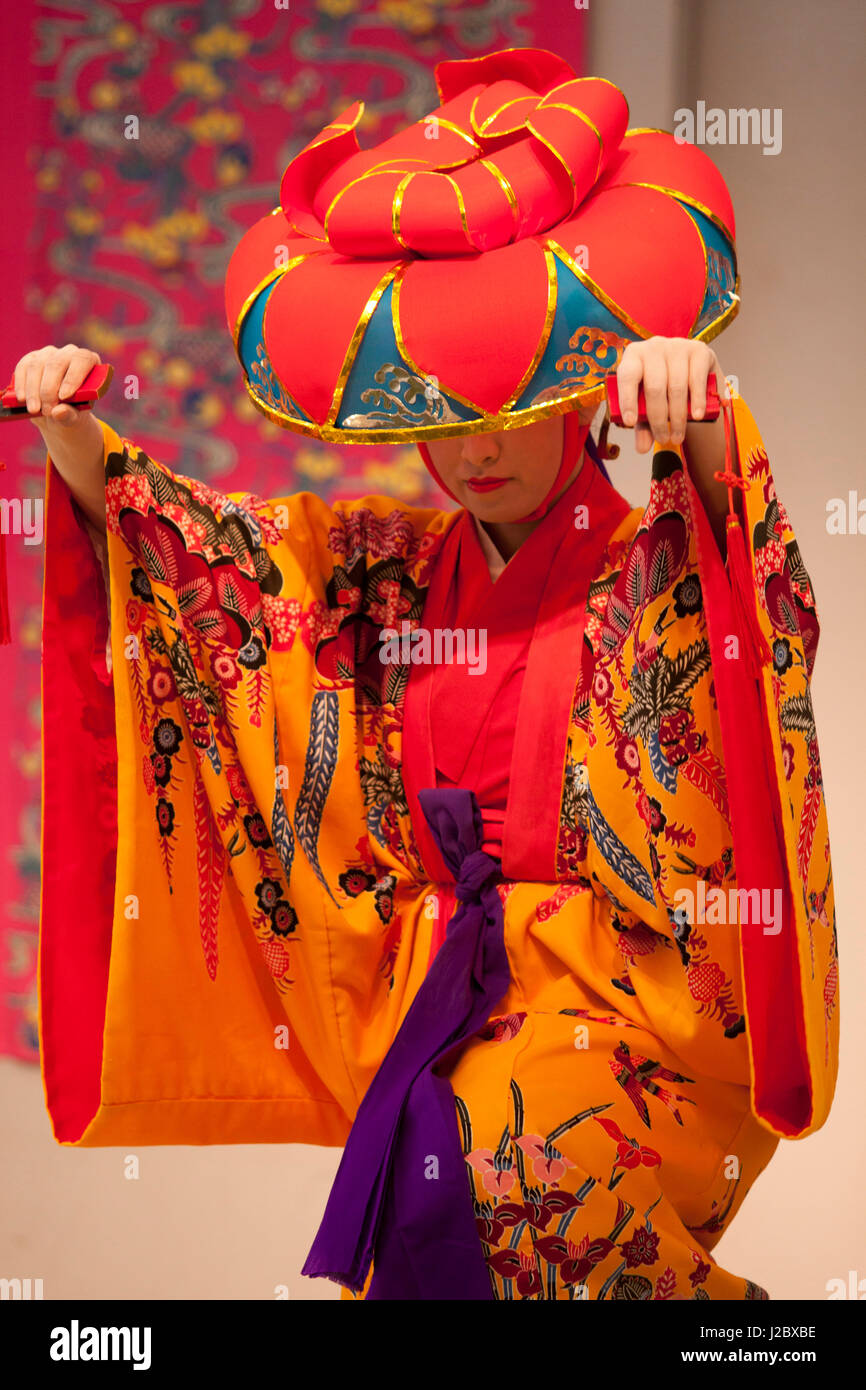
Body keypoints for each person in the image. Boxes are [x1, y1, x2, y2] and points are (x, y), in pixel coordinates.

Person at [21, 49, 838, 1302]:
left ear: (575, 396)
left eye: (506, 408)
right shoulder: (379, 577)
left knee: (517, 1158)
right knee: (435, 1172)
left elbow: (752, 602)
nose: (476, 451)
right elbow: (201, 562)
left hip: (632, 1009)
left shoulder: (648, 564)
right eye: (442, 421)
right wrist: (76, 435)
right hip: (449, 996)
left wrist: (699, 422)